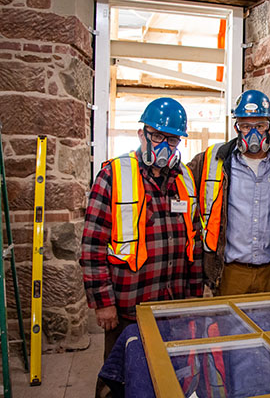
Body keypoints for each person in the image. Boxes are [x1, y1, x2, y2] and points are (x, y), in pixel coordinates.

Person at [80, 97, 203, 397]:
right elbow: (92, 245)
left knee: (167, 374)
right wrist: (103, 302)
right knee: (119, 377)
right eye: (157, 136)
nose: (165, 145)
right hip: (126, 307)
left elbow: (194, 241)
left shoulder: (184, 179)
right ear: (142, 134)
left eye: (172, 139)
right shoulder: (114, 174)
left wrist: (194, 298)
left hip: (171, 304)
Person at [188, 90, 270, 296]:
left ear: (269, 127)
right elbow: (179, 181)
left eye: (260, 126)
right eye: (246, 126)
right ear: (236, 128)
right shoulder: (212, 159)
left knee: (268, 326)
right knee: (229, 328)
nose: (253, 133)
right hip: (230, 272)